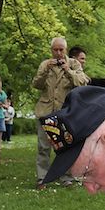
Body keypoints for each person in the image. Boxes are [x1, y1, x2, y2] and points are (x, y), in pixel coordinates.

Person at [33, 36, 90, 188]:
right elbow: (36, 84)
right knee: (43, 147)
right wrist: (46, 71)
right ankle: (42, 178)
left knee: (65, 146)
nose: (58, 53)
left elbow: (82, 82)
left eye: (61, 50)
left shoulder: (74, 64)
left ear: (65, 49)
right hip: (45, 110)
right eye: (55, 50)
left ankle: (66, 177)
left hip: (66, 111)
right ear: (51, 50)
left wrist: (68, 71)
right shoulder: (45, 64)